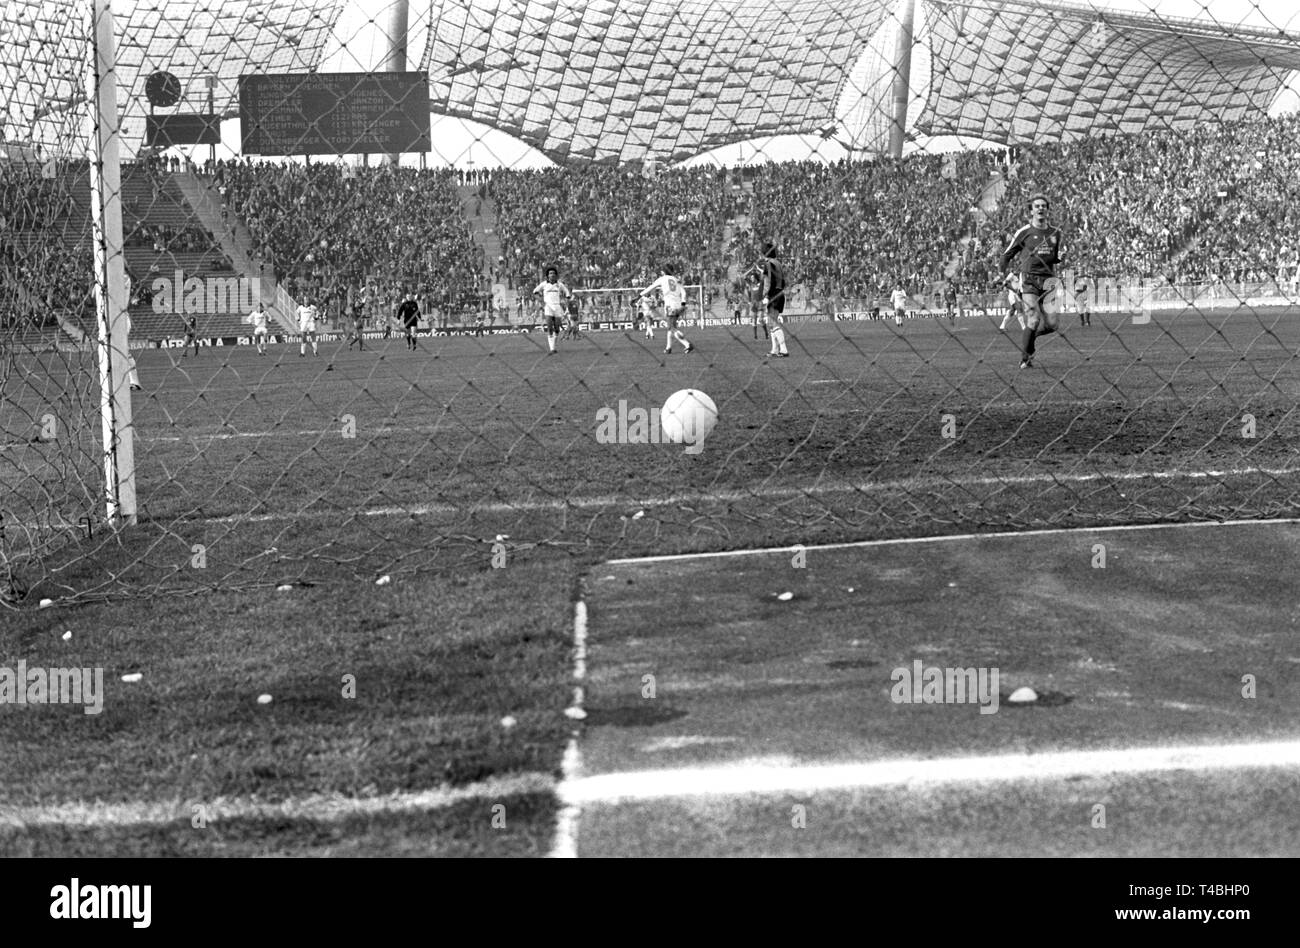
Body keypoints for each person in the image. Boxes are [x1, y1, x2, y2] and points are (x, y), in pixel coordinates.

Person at [1000, 193, 1064, 368]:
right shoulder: (1024, 232)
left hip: (1049, 282)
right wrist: (1002, 273)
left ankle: (1031, 336)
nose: (1040, 208)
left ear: (1047, 209)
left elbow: (1055, 258)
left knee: (1052, 325)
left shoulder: (1056, 233)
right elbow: (1007, 255)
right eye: (1037, 206)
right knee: (1033, 318)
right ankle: (1025, 358)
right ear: (1031, 210)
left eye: (1043, 205)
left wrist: (1060, 258)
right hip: (1029, 280)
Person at [640, 263, 693, 355]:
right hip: (679, 305)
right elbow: (684, 293)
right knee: (671, 327)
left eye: (662, 270)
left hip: (670, 307)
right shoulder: (676, 280)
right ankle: (668, 348)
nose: (661, 272)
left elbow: (651, 287)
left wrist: (639, 295)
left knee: (671, 327)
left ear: (664, 271)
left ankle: (687, 344)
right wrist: (683, 304)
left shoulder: (662, 279)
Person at [533, 266, 571, 355]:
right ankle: (552, 349)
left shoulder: (559, 284)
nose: (552, 275)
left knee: (557, 328)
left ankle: (554, 343)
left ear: (556, 275)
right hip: (548, 307)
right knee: (550, 327)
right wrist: (541, 301)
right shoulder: (544, 284)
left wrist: (567, 301)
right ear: (547, 275)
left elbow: (567, 292)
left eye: (553, 273)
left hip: (557, 307)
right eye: (550, 273)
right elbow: (535, 292)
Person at [760, 242, 788, 356]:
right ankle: (774, 349)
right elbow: (783, 281)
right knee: (771, 323)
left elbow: (768, 281)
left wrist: (766, 295)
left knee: (773, 322)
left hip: (773, 294)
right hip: (780, 293)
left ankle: (783, 349)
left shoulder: (768, 264)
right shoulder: (778, 263)